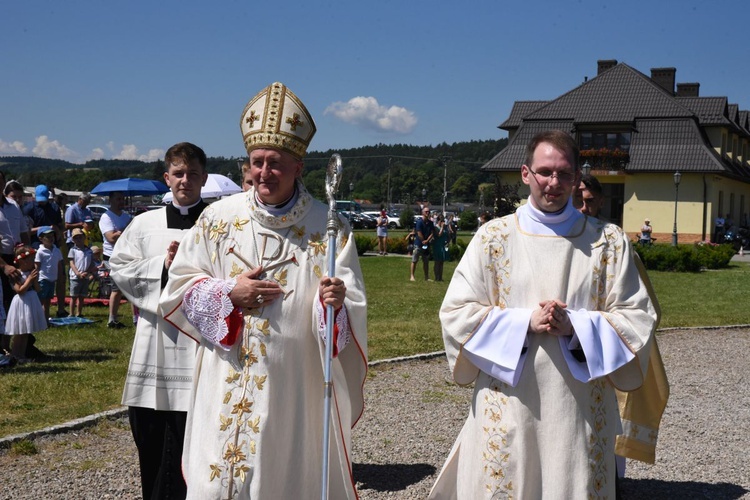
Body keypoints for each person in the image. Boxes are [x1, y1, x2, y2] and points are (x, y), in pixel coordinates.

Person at [159, 82, 367, 499]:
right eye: (257, 162)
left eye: (275, 163)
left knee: (280, 478)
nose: (264, 173)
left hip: (293, 383)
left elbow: (349, 313)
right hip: (226, 373)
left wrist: (334, 307)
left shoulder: (329, 228)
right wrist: (227, 294)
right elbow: (179, 286)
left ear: (299, 167)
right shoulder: (218, 219)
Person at [429, 130, 657, 499]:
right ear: (525, 173)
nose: (554, 183)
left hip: (579, 408)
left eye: (564, 174)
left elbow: (637, 318)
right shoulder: (493, 238)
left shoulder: (609, 242)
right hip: (508, 403)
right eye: (545, 172)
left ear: (577, 178)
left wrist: (574, 327)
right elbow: (456, 313)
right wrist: (524, 323)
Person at [109, 142, 209, 500]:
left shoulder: (220, 222)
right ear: (166, 178)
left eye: (193, 174)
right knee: (151, 437)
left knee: (197, 441)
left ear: (204, 178)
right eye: (178, 173)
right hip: (156, 346)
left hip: (201, 347)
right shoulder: (144, 224)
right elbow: (119, 269)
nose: (185, 181)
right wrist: (163, 269)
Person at [575, 174, 670, 489]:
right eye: (578, 200)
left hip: (604, 345)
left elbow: (642, 305)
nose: (583, 208)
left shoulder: (615, 242)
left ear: (601, 202)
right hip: (565, 344)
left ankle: (611, 481)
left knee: (607, 415)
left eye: (590, 201)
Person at [22, 184, 68, 317]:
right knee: (38, 279)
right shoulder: (29, 208)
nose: (41, 201)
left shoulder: (54, 208)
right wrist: (43, 228)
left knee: (60, 277)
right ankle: (37, 310)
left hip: (54, 247)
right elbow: (25, 231)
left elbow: (60, 226)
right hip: (37, 247)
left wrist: (58, 231)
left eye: (44, 198)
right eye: (39, 199)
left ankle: (60, 308)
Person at [4, 246, 46, 363]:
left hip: (31, 301)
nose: (32, 262)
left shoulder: (31, 273)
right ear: (21, 261)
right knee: (20, 331)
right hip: (22, 303)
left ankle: (21, 355)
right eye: (30, 259)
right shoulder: (16, 274)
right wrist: (29, 280)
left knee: (26, 331)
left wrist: (35, 280)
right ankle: (15, 354)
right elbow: (20, 290)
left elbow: (37, 289)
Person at [99, 191, 132, 328]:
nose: (121, 202)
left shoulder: (126, 217)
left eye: (122, 199)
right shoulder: (106, 217)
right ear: (111, 200)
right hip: (112, 256)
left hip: (126, 254)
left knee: (130, 286)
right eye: (118, 199)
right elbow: (111, 238)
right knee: (117, 287)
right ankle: (112, 319)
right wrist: (125, 231)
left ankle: (136, 317)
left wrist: (121, 231)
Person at [35, 226, 63, 321]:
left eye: (52, 236)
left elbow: (59, 265)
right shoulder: (40, 252)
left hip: (52, 280)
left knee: (48, 302)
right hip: (43, 279)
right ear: (41, 239)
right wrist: (36, 281)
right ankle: (40, 320)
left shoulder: (57, 250)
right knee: (41, 301)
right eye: (48, 237)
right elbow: (37, 267)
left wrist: (60, 278)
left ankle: (46, 319)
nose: (51, 239)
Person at [67, 228, 96, 318]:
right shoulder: (73, 250)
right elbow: (71, 263)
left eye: (80, 237)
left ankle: (79, 312)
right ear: (73, 240)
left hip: (85, 276)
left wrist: (87, 272)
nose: (78, 239)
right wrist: (78, 273)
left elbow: (91, 263)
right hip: (75, 276)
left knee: (82, 296)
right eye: (76, 238)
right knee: (73, 296)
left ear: (84, 237)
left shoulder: (89, 251)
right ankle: (71, 313)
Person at [410, 206, 434, 281]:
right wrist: (423, 240)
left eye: (428, 212)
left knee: (426, 261)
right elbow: (419, 232)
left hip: (426, 244)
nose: (428, 213)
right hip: (418, 244)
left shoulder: (430, 223)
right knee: (415, 260)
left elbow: (432, 233)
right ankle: (412, 276)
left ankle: (426, 277)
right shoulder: (419, 222)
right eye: (426, 212)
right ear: (422, 213)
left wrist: (427, 241)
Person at [432, 213, 449, 281]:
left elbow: (447, 235)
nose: (443, 222)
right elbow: (438, 235)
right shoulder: (436, 227)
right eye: (441, 221)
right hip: (437, 246)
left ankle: (440, 277)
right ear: (438, 221)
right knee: (437, 262)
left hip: (443, 245)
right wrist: (441, 227)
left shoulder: (445, 228)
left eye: (443, 221)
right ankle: (436, 277)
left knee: (442, 262)